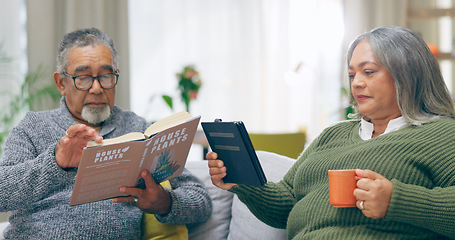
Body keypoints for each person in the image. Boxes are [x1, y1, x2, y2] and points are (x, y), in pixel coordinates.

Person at [208, 25, 455, 239]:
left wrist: (398, 201)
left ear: (408, 74)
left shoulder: (442, 134)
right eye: (351, 74)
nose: (356, 82)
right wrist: (241, 179)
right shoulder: (332, 135)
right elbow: (286, 206)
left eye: (368, 72)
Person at [0, 28, 212, 239]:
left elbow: (201, 200)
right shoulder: (33, 127)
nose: (97, 88)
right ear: (61, 83)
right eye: (83, 78)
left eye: (106, 76)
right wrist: (55, 163)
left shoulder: (136, 128)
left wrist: (165, 203)